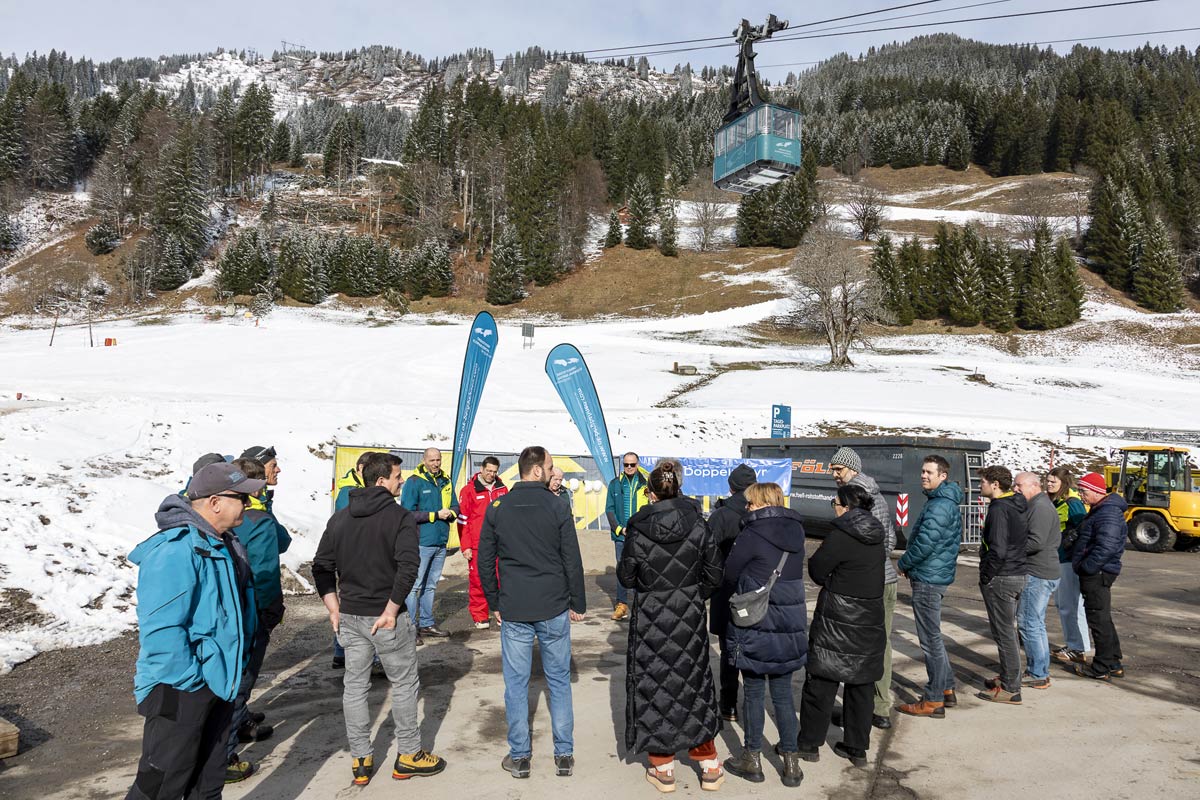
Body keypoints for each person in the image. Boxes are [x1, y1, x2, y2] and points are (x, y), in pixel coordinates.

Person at [125, 462, 262, 800]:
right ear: (215, 502)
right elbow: (162, 632)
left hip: (218, 683)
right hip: (182, 690)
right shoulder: (175, 548)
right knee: (161, 786)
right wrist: (194, 685)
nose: (248, 504)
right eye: (241, 497)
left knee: (207, 784)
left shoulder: (222, 543)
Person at [311, 453, 447, 787]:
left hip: (352, 617)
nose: (402, 481)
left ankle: (361, 759)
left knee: (355, 686)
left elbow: (321, 566)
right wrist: (390, 610)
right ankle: (409, 755)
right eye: (398, 476)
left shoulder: (340, 518)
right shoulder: (399, 517)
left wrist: (333, 607)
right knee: (403, 683)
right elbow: (408, 568)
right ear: (382, 480)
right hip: (387, 618)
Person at [479, 446, 586, 780]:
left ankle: (520, 757)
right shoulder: (557, 506)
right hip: (552, 605)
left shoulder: (499, 507)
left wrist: (495, 602)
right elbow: (572, 558)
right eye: (551, 467)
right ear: (537, 470)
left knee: (515, 683)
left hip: (515, 608)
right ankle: (563, 754)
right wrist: (577, 602)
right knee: (558, 681)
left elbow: (485, 561)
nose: (554, 472)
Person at [619, 463, 725, 793]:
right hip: (690, 614)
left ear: (650, 492)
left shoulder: (638, 529)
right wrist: (691, 595)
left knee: (656, 687)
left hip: (652, 617)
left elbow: (626, 578)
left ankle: (663, 769)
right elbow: (714, 574)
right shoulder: (699, 523)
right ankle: (708, 763)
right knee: (694, 682)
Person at [722, 483, 808, 788]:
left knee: (755, 692)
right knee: (783, 695)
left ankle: (753, 758)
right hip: (789, 621)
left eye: (750, 503)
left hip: (757, 620)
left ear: (760, 503)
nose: (746, 508)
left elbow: (730, 574)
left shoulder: (751, 533)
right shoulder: (797, 532)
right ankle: (792, 763)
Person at [798, 483, 886, 769]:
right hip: (870, 614)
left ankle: (810, 744)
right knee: (861, 682)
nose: (833, 507)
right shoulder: (877, 534)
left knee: (822, 679)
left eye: (834, 502)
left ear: (846, 507)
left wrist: (835, 584)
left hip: (838, 614)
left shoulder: (841, 535)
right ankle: (857, 748)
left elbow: (817, 569)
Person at [222, 458, 292, 776]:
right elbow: (267, 568)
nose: (276, 473)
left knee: (229, 682)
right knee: (242, 680)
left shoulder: (213, 520)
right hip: (251, 614)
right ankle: (224, 757)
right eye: (271, 470)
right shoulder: (258, 520)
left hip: (226, 614)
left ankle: (236, 727)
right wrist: (269, 613)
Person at [830, 447, 897, 730]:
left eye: (838, 470)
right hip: (885, 580)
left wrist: (860, 564)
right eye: (832, 470)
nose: (834, 475)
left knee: (857, 647)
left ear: (853, 469)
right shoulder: (877, 494)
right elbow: (890, 539)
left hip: (871, 583)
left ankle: (865, 709)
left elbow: (871, 541)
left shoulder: (857, 496)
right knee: (880, 644)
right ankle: (878, 708)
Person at [896, 455, 963, 718]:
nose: (923, 475)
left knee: (930, 640)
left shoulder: (940, 506)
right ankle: (946, 688)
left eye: (929, 472)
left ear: (942, 476)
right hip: (932, 575)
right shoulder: (941, 501)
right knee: (933, 637)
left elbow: (925, 543)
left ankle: (934, 699)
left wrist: (903, 563)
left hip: (928, 578)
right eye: (922, 471)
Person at [706, 463, 757, 722]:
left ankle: (728, 705)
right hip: (755, 593)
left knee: (728, 649)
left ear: (731, 486)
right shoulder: (762, 513)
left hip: (725, 589)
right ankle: (753, 705)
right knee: (750, 646)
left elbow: (706, 551)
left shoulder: (722, 515)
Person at [976, 466, 1029, 705]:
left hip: (1002, 576)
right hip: (1017, 573)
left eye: (983, 481)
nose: (980, 486)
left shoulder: (999, 509)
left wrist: (987, 575)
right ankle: (1008, 678)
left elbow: (997, 548)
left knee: (1004, 633)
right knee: (1006, 631)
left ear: (995, 484)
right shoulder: (1016, 505)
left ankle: (1010, 687)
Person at [1070, 472, 1127, 681]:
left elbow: (1107, 546)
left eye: (1083, 491)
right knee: (1103, 618)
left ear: (1096, 491)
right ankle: (1113, 662)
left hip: (1098, 573)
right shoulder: (1102, 510)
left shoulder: (1107, 513)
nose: (1081, 495)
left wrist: (1088, 567)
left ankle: (1101, 667)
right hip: (1100, 571)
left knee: (1098, 620)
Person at [332, 452, 387, 668]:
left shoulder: (357, 488)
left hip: (356, 552)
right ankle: (352, 653)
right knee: (355, 604)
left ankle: (341, 652)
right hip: (354, 554)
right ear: (361, 468)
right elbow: (353, 523)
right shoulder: (349, 491)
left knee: (351, 603)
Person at [400, 448, 459, 642]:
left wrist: (451, 513)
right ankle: (410, 628)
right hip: (422, 543)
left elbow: (456, 506)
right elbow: (406, 513)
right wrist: (434, 515)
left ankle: (426, 623)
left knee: (431, 586)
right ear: (424, 460)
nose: (436, 463)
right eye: (432, 460)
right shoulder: (414, 482)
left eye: (438, 460)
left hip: (441, 542)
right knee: (415, 586)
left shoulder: (445, 480)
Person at [1014, 471, 1062, 690]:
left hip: (1038, 573)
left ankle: (1037, 672)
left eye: (1018, 486)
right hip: (1042, 571)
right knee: (1035, 623)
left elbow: (1036, 542)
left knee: (1028, 623)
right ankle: (1039, 670)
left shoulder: (1040, 507)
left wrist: (1010, 549)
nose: (1015, 489)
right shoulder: (1039, 504)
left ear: (1033, 486)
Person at [457, 456, 508, 630]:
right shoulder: (468, 491)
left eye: (494, 472)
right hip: (478, 545)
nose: (491, 475)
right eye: (488, 471)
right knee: (478, 580)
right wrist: (466, 546)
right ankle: (480, 615)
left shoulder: (503, 489)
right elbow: (462, 521)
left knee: (502, 578)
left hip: (499, 543)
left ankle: (502, 613)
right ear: (482, 469)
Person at [1047, 467, 1090, 664]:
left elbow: (1083, 530)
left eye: (1053, 482)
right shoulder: (1056, 502)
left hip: (1068, 560)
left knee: (1070, 605)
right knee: (1067, 604)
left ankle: (1078, 647)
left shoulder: (1073, 504)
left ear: (1063, 483)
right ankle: (1076, 644)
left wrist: (1072, 549)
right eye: (1047, 481)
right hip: (1059, 557)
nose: (1048, 484)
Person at [606, 451, 648, 621]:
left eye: (632, 464)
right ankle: (622, 604)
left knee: (641, 569)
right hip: (621, 537)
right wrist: (619, 529)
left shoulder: (646, 484)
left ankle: (640, 604)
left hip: (641, 536)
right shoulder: (615, 484)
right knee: (622, 570)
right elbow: (609, 510)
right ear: (622, 465)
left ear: (638, 465)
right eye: (626, 464)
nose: (629, 467)